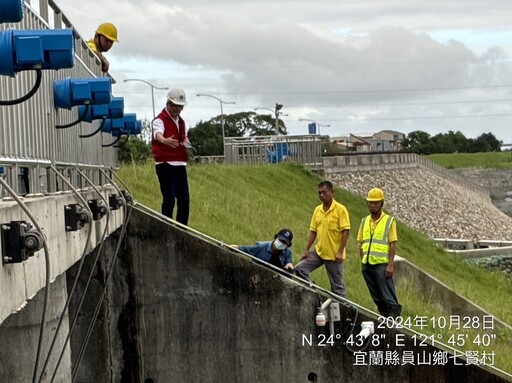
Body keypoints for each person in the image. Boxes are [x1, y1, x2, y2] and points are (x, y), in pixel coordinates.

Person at [295, 180, 350, 298]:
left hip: (334, 256)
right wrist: (306, 250)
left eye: (324, 192)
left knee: (337, 288)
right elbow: (313, 231)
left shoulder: (340, 210)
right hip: (319, 252)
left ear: (332, 192)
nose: (321, 195)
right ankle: (313, 292)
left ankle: (342, 310)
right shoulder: (317, 210)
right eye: (319, 193)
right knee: (299, 269)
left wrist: (340, 251)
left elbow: (346, 231)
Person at [357, 188, 402, 317]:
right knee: (376, 296)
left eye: (375, 203)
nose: (372, 205)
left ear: (381, 203)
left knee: (388, 295)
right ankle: (383, 316)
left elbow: (392, 243)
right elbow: (361, 242)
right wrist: (362, 261)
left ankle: (394, 319)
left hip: (382, 265)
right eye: (370, 202)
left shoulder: (389, 221)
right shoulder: (364, 221)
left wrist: (390, 265)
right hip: (367, 264)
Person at [152, 88, 192, 225]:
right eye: (176, 106)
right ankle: (166, 226)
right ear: (168, 103)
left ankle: (182, 228)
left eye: (181, 107)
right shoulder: (159, 120)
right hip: (165, 164)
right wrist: (164, 140)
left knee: (184, 199)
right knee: (169, 199)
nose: (178, 110)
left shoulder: (181, 122)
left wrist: (187, 144)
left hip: (180, 164)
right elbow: (158, 134)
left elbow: (183, 137)